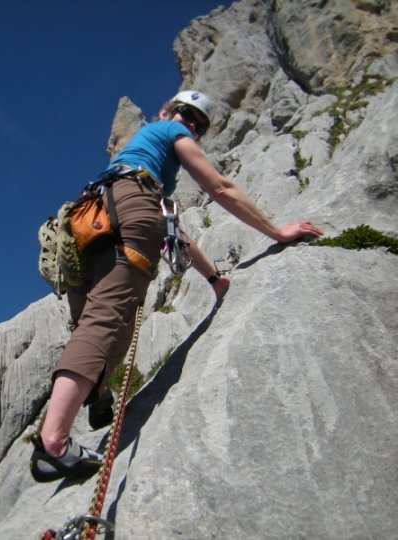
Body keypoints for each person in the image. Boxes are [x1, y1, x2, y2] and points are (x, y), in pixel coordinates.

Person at [29, 90, 323, 483]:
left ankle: (97, 395)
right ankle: (54, 445)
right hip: (128, 211)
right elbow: (218, 187)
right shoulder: (167, 133)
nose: (191, 126)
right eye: (187, 115)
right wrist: (276, 231)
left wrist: (215, 280)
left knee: (100, 323)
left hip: (90, 217)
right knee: (108, 319)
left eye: (198, 125)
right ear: (166, 112)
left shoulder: (134, 161)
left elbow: (174, 234)